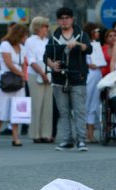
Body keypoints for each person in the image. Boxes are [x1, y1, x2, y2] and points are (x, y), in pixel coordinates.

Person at [44, 7, 92, 152]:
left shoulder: (81, 35)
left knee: (79, 111)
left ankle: (81, 140)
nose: (64, 20)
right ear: (58, 21)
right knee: (63, 112)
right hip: (59, 78)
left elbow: (88, 49)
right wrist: (52, 64)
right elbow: (46, 56)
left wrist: (77, 44)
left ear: (72, 19)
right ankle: (67, 140)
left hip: (78, 77)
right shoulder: (54, 37)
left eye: (67, 17)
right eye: (62, 18)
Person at [0, 24, 28, 147]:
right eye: (24, 35)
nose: (26, 38)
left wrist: (23, 77)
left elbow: (24, 63)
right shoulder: (5, 45)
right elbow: (8, 63)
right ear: (18, 35)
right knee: (1, 107)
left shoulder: (22, 47)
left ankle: (15, 137)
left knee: (17, 108)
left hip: (18, 80)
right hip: (6, 78)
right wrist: (22, 74)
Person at [25, 16, 53, 144]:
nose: (47, 28)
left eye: (47, 26)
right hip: (35, 75)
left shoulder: (48, 41)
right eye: (44, 26)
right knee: (37, 105)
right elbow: (31, 60)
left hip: (49, 74)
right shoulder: (30, 41)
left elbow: (51, 58)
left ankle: (46, 134)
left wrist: (49, 72)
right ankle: (35, 134)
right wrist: (42, 73)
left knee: (48, 106)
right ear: (38, 27)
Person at [84, 22, 102, 143]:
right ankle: (84, 133)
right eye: (96, 31)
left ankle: (91, 133)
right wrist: (88, 64)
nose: (98, 33)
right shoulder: (85, 45)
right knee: (86, 102)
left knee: (94, 104)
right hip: (88, 74)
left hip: (98, 74)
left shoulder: (97, 45)